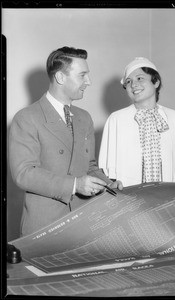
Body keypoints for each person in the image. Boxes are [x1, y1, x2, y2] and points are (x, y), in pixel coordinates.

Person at [9, 46, 123, 236]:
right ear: (60, 78)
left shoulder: (84, 118)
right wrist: (75, 185)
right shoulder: (27, 117)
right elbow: (24, 173)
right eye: (82, 75)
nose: (89, 81)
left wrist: (107, 184)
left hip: (84, 224)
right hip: (44, 228)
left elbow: (90, 166)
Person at [99, 57, 175, 187]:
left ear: (155, 82)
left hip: (166, 196)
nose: (133, 85)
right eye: (128, 81)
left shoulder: (174, 118)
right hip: (129, 198)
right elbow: (106, 172)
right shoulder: (116, 119)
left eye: (140, 78)